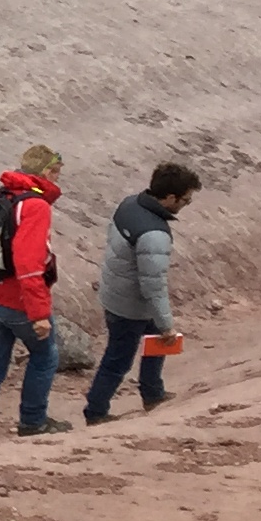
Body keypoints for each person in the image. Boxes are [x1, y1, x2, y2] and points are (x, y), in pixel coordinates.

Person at [0, 144, 67, 442]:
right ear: (48, 172)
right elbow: (29, 263)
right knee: (44, 357)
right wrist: (39, 313)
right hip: (18, 301)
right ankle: (33, 422)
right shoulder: (35, 207)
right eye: (57, 173)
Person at [85, 160, 203, 424]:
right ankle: (96, 411)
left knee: (151, 343)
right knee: (119, 358)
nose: (185, 205)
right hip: (131, 305)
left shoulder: (130, 204)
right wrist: (167, 324)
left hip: (114, 291)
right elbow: (153, 284)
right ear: (170, 197)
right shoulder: (154, 234)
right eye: (186, 200)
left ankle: (153, 392)